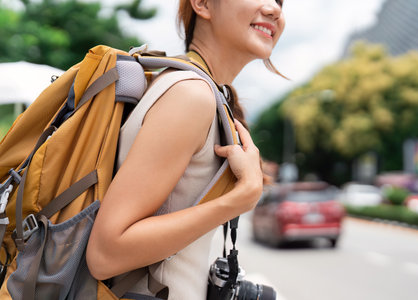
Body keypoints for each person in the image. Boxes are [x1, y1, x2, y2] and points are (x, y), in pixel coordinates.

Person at [86, 0, 285, 299]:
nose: (274, 9)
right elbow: (105, 254)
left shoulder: (203, 91)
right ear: (203, 4)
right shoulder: (191, 95)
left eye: (280, 0)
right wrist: (240, 198)